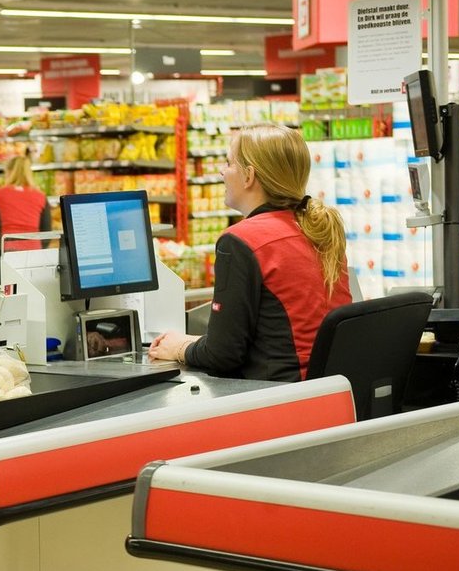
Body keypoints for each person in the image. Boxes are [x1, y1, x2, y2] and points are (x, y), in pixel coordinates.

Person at [148, 124, 351, 381]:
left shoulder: (241, 240)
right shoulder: (319, 229)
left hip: (277, 399)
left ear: (249, 176)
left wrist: (178, 348)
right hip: (325, 391)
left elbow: (223, 355)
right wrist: (195, 342)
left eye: (228, 162)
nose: (222, 171)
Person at [0, 155, 50, 284]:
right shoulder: (41, 197)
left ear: (8, 172)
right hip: (33, 258)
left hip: (5, 255)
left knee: (0, 300)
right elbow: (46, 232)